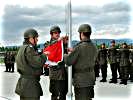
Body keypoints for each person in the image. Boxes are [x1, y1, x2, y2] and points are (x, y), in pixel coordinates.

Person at [64, 24, 98, 100]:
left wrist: (64, 55)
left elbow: (68, 61)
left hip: (81, 81)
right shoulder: (94, 46)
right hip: (90, 79)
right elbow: (86, 56)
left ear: (81, 33)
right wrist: (74, 52)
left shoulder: (79, 47)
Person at [15, 29, 48, 100]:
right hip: (30, 85)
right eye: (36, 38)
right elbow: (38, 62)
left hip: (24, 84)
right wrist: (44, 55)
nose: (37, 40)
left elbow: (30, 62)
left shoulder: (22, 48)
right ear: (31, 38)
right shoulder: (29, 48)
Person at [44, 25, 68, 100]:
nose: (57, 34)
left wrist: (65, 44)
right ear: (51, 34)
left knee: (63, 94)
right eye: (55, 33)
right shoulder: (49, 44)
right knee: (55, 94)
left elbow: (64, 54)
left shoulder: (61, 44)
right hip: (55, 74)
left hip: (63, 73)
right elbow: (50, 48)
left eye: (58, 33)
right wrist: (59, 41)